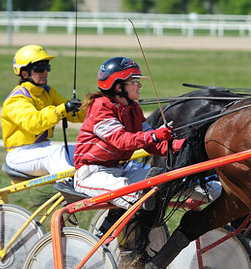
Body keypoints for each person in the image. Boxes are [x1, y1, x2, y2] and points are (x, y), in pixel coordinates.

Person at [73, 56, 184, 209]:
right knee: (133, 192)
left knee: (170, 178)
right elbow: (122, 140)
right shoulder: (100, 107)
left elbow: (154, 145)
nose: (139, 85)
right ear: (119, 87)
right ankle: (140, 204)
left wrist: (183, 146)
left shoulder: (134, 109)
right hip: (91, 174)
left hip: (122, 169)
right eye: (134, 81)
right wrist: (154, 135)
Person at [1, 44, 84, 176]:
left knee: (86, 149)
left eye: (47, 67)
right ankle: (72, 188)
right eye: (39, 68)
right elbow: (34, 124)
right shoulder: (16, 98)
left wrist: (95, 108)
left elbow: (75, 114)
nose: (45, 72)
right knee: (54, 154)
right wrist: (63, 109)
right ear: (24, 73)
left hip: (44, 148)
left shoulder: (48, 92)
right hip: (19, 155)